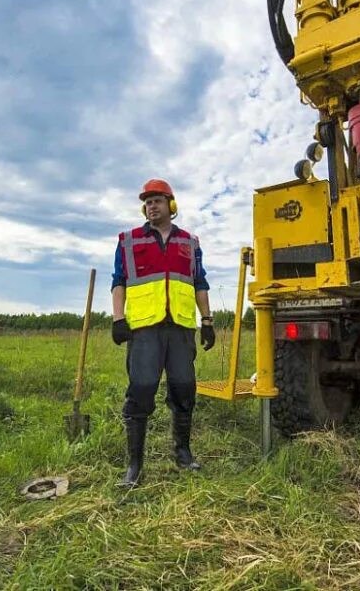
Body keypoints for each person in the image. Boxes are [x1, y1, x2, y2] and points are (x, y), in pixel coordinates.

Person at [111, 178, 215, 487]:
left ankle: (183, 453)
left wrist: (207, 321)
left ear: (171, 205)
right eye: (147, 202)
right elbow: (118, 281)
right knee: (141, 389)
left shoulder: (189, 242)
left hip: (181, 328)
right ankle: (135, 467)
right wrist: (118, 318)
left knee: (184, 388)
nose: (151, 206)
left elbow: (200, 283)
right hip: (144, 329)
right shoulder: (128, 240)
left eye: (157, 200)